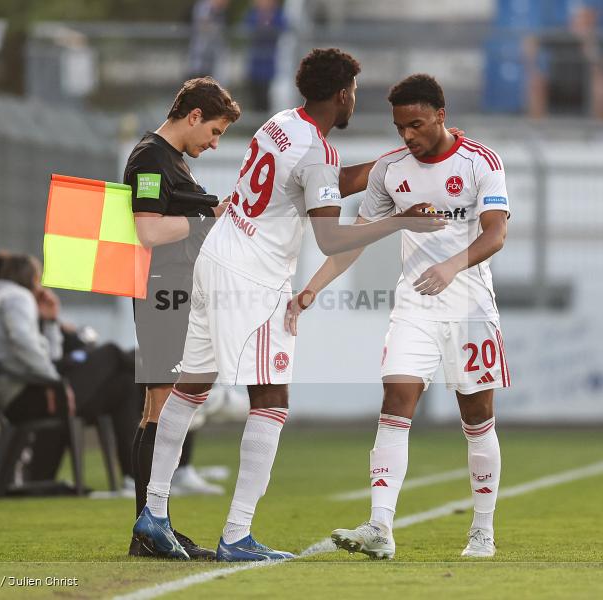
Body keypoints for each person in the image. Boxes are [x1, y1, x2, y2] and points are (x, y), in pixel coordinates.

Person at [131, 48, 446, 562]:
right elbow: (329, 238)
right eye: (355, 94)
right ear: (343, 93)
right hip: (254, 279)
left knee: (188, 387)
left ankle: (154, 513)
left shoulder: (282, 124)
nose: (354, 101)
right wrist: (403, 220)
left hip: (219, 255)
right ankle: (236, 535)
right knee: (271, 402)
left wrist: (384, 165)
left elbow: (317, 184)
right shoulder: (316, 151)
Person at [287, 74, 510, 559]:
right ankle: (380, 527)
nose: (407, 135)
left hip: (470, 306)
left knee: (477, 417)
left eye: (416, 124)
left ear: (440, 116)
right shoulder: (391, 170)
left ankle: (482, 529)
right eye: (399, 127)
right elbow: (358, 240)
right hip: (415, 306)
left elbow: (495, 234)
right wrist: (310, 290)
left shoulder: (480, 163)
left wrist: (452, 266)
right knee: (395, 400)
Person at [126, 76, 241, 559]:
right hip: (160, 290)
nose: (213, 144)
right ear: (193, 116)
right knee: (160, 405)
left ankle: (155, 527)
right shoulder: (150, 157)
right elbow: (147, 230)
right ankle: (149, 532)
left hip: (178, 289)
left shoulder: (170, 160)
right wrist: (208, 217)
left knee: (164, 406)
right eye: (213, 132)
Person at [0, 253, 140, 485]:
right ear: (32, 279)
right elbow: (23, 343)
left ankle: (133, 478)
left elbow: (52, 357)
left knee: (124, 387)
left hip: (28, 394)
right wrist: (55, 382)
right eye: (38, 279)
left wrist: (50, 321)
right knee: (110, 353)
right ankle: (156, 369)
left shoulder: (3, 300)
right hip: (28, 397)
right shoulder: (16, 298)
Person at [526, 3, 603, 119]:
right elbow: (531, 41)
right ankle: (537, 131)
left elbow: (599, 71)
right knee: (536, 82)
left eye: (586, 20)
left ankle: (599, 132)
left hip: (584, 90)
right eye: (579, 18)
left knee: (601, 86)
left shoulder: (598, 41)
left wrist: (588, 46)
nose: (581, 23)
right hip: (556, 87)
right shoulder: (561, 35)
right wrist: (533, 69)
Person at [243, 0, 287, 112]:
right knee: (253, 97)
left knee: (265, 98)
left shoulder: (278, 14)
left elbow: (283, 27)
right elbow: (247, 27)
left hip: (269, 64)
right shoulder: (253, 14)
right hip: (254, 64)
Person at [187, 0, 230, 79]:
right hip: (200, 60)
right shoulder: (205, 8)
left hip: (212, 60)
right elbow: (203, 26)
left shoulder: (220, 11)